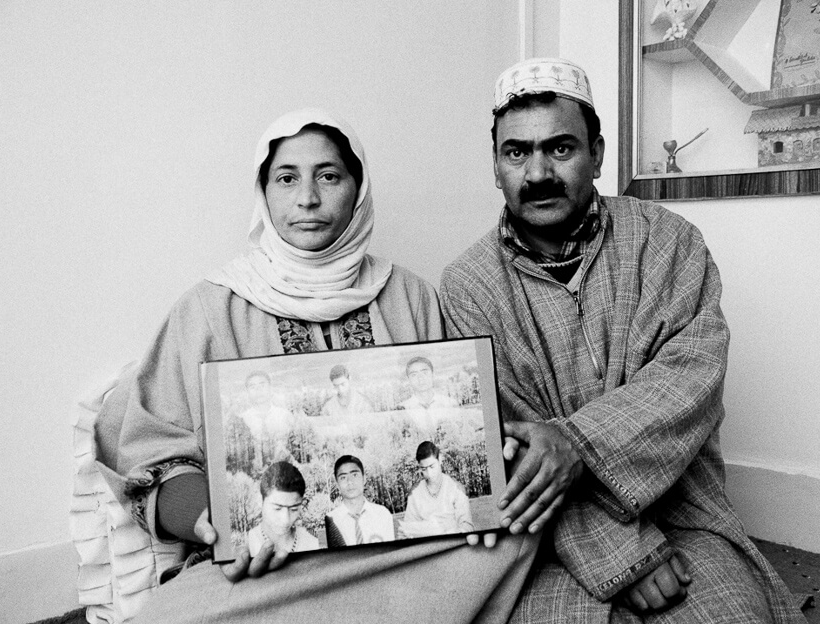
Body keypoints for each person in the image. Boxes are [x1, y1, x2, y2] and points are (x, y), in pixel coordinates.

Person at [93, 108, 536, 624]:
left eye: (328, 176)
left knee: (516, 536)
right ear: (264, 194)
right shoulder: (210, 307)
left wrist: (479, 489)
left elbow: (466, 423)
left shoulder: (410, 295)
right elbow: (154, 452)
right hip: (271, 565)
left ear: (358, 188)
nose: (307, 198)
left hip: (409, 551)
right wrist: (211, 521)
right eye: (287, 179)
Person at [440, 58, 807, 622]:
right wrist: (623, 555)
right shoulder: (467, 286)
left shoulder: (667, 242)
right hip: (545, 541)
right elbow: (508, 448)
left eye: (560, 148)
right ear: (495, 165)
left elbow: (690, 377)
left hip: (680, 513)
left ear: (598, 154)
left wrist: (578, 444)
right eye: (517, 152)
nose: (537, 172)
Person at [399, 441, 473, 538]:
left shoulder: (456, 488)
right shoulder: (415, 494)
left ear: (440, 460)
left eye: (432, 466)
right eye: (424, 469)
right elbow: (407, 530)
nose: (429, 473)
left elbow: (467, 527)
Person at [247, 460, 319, 556]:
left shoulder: (312, 544)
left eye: (294, 509)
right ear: (260, 501)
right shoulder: (247, 544)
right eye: (277, 508)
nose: (285, 520)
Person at [324, 455, 395, 546]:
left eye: (354, 475)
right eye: (343, 477)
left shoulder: (383, 514)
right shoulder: (332, 521)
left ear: (364, 479)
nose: (350, 482)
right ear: (337, 484)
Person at [237, 370, 298, 468]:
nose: (258, 390)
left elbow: (296, 447)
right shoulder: (242, 420)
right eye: (252, 387)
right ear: (247, 392)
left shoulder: (285, 416)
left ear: (270, 388)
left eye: (262, 385)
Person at [400, 355, 459, 431]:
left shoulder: (450, 404)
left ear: (433, 374)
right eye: (414, 375)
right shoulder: (402, 409)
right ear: (409, 380)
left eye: (425, 372)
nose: (420, 378)